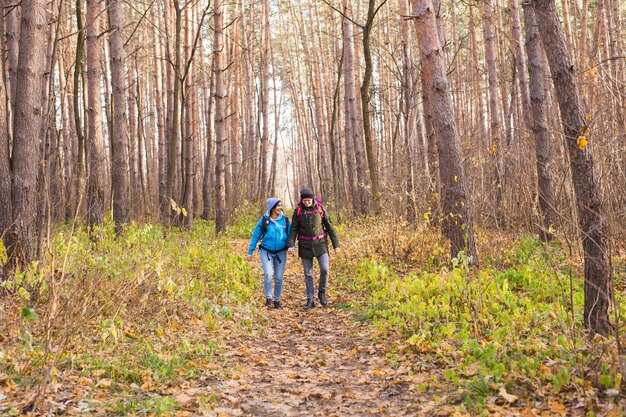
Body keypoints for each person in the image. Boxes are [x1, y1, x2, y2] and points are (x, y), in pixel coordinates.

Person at [287, 187, 340, 309]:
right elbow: (293, 229)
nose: (306, 202)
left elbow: (330, 227)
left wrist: (336, 245)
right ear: (302, 200)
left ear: (312, 199)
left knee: (325, 269)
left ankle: (322, 293)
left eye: (308, 200)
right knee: (308, 273)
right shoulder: (298, 211)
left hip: (320, 244)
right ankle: (310, 300)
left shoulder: (320, 209)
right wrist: (290, 245)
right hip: (305, 246)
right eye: (304, 200)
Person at [246, 198, 290, 309]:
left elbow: (290, 236)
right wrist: (250, 252)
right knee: (268, 274)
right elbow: (255, 236)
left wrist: (292, 247)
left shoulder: (285, 221)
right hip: (266, 251)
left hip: (281, 252)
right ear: (272, 208)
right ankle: (269, 298)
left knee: (278, 277)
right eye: (278, 206)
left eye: (281, 205)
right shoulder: (264, 220)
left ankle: (277, 300)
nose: (280, 208)